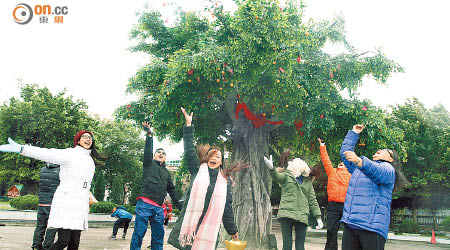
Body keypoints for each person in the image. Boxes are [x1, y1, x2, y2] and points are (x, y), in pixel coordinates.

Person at [0, 131, 106, 250]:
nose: (88, 139)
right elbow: (46, 153)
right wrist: (22, 149)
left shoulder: (89, 159)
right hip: (67, 203)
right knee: (63, 241)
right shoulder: (70, 153)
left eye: (90, 137)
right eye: (84, 137)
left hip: (80, 205)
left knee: (74, 242)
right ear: (78, 140)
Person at [168, 107, 239, 250]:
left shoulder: (225, 181)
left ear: (221, 162)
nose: (214, 158)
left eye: (218, 157)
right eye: (211, 155)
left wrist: (232, 230)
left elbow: (227, 209)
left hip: (208, 230)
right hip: (189, 227)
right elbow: (189, 150)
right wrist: (188, 126)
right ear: (206, 158)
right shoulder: (197, 170)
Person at [340, 124, 409, 250]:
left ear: (391, 158)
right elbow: (346, 154)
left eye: (384, 150)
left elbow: (376, 171)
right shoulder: (359, 169)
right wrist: (354, 133)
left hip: (372, 228)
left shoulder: (388, 170)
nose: (379, 150)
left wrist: (359, 161)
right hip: (351, 224)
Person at [130, 121, 182, 250]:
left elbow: (173, 191)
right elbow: (147, 150)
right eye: (158, 152)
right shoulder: (148, 164)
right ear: (154, 155)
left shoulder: (167, 173)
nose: (161, 154)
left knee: (159, 235)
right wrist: (149, 135)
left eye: (163, 153)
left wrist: (181, 207)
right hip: (144, 204)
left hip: (159, 208)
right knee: (139, 233)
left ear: (165, 158)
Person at [264, 155, 323, 250]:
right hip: (287, 214)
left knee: (300, 246)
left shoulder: (307, 181)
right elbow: (277, 176)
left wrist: (318, 217)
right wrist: (272, 169)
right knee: (287, 246)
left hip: (302, 215)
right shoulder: (286, 177)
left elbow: (312, 200)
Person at [318, 138, 351, 250]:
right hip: (333, 205)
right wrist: (322, 146)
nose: (341, 163)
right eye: (340, 162)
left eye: (344, 162)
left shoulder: (352, 174)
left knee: (350, 231)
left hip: (347, 205)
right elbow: (326, 160)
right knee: (331, 229)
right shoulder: (332, 171)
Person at [31, 163, 60, 250]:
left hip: (42, 202)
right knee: (52, 227)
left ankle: (36, 246)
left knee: (40, 226)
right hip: (53, 203)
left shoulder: (42, 170)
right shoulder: (60, 171)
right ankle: (46, 247)